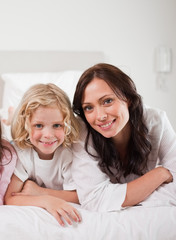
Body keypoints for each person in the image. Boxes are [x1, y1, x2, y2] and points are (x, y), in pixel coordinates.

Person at [72, 63, 175, 212]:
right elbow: (94, 199)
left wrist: (128, 199)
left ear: (128, 98)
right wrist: (158, 174)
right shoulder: (82, 131)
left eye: (107, 101)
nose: (100, 116)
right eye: (89, 107)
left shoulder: (156, 120)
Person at [4, 83, 81, 226]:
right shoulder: (22, 154)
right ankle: (10, 118)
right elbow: (10, 198)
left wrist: (40, 192)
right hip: (17, 138)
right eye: (39, 125)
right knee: (8, 134)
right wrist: (46, 201)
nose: (48, 135)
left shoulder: (68, 154)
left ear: (67, 124)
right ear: (27, 124)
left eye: (57, 125)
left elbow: (78, 196)